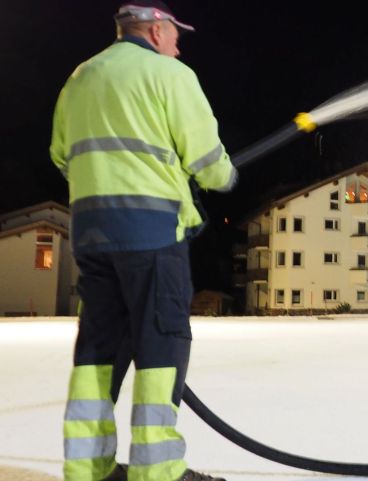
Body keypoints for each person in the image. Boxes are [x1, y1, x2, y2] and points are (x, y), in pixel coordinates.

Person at [50, 2, 236, 480]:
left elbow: (62, 156)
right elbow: (208, 160)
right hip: (152, 235)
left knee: (98, 350)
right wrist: (224, 177)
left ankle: (88, 467)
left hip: (90, 235)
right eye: (176, 35)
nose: (179, 44)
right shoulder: (170, 75)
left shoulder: (80, 79)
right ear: (155, 31)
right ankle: (159, 471)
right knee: (161, 347)